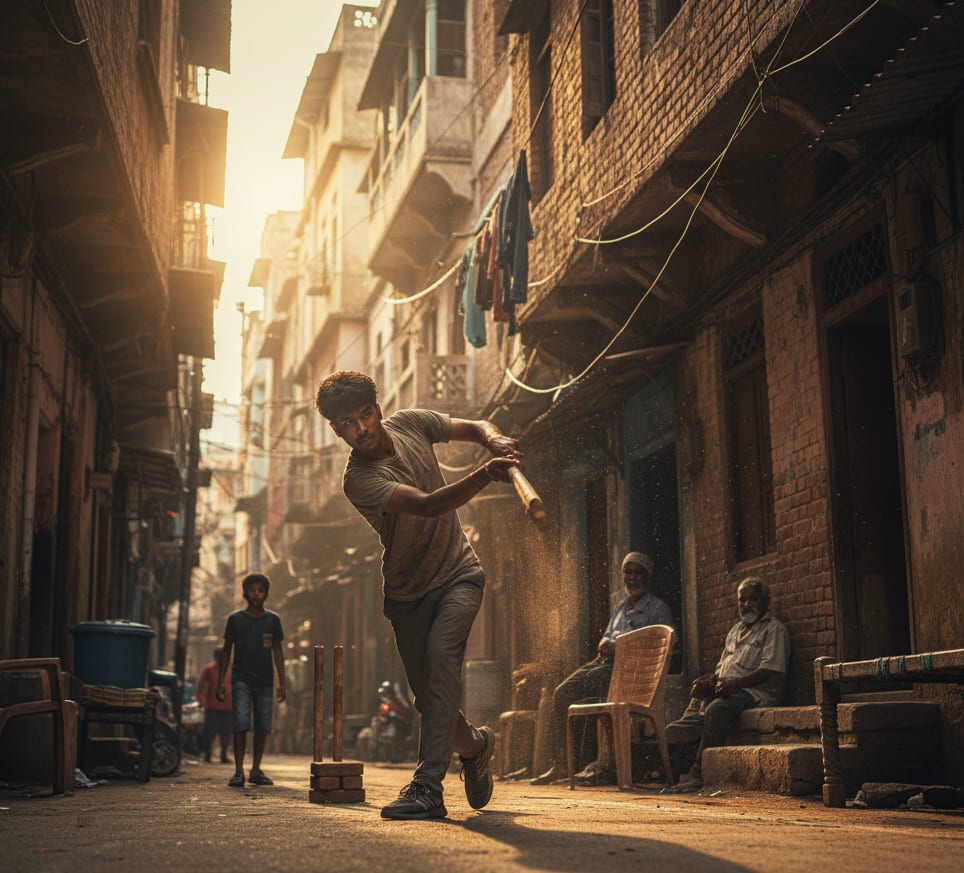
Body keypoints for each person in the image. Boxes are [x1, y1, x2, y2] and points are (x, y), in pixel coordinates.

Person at [315, 370, 521, 820]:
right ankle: (475, 746)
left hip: (459, 574)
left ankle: (428, 788)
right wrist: (486, 474)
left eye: (365, 415)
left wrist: (494, 439)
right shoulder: (359, 480)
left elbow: (475, 426)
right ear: (335, 429)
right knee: (430, 700)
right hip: (407, 595)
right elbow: (428, 505)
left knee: (442, 662)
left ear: (378, 409)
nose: (361, 429)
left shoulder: (411, 422)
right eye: (348, 423)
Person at [532, 551, 674, 786]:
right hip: (606, 664)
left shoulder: (658, 609)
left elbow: (660, 647)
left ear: (647, 577)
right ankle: (562, 765)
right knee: (562, 693)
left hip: (633, 672)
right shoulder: (620, 608)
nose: (632, 577)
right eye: (628, 572)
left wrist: (621, 647)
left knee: (595, 692)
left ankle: (602, 765)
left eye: (638, 573)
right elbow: (608, 635)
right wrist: (605, 644)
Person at [662, 576, 790, 794]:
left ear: (766, 601)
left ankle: (698, 775)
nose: (746, 604)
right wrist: (708, 681)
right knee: (685, 718)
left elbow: (771, 670)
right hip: (727, 689)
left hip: (754, 692)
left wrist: (737, 684)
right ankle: (672, 776)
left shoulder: (773, 629)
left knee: (717, 709)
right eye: (742, 600)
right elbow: (722, 668)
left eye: (753, 599)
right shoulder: (735, 631)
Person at [216, 573, 287, 788]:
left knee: (263, 725)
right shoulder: (235, 619)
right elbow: (227, 650)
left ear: (266, 594)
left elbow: (278, 651)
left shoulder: (273, 620)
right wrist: (221, 681)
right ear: (245, 593)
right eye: (252, 590)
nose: (256, 594)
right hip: (241, 679)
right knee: (240, 722)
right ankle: (238, 771)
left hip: (265, 680)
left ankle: (256, 769)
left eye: (260, 590)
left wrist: (282, 682)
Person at [196, 647, 232, 763]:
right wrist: (202, 700)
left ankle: (223, 755)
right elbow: (200, 687)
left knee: (226, 732)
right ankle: (207, 755)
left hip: (228, 706)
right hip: (212, 706)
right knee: (209, 732)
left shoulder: (231, 670)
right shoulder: (209, 669)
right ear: (216, 657)